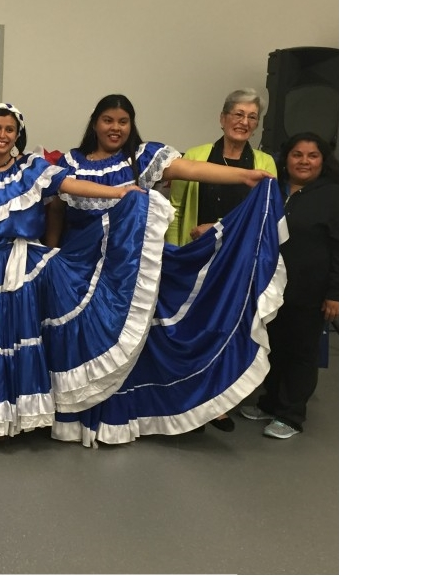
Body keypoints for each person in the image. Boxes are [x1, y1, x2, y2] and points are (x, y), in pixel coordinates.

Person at [49, 93, 285, 447]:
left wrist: (243, 176)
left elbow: (192, 169)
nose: (115, 128)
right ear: (95, 123)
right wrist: (53, 252)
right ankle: (75, 415)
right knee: (82, 343)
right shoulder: (71, 162)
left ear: (131, 125)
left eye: (123, 121)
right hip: (79, 272)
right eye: (108, 120)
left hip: (128, 274)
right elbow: (56, 209)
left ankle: (121, 417)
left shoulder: (141, 158)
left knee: (131, 344)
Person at [0, 103, 147, 440]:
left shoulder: (30, 168)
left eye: (9, 129)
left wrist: (119, 192)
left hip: (17, 267)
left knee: (13, 339)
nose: (2, 135)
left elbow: (71, 185)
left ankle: (15, 419)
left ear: (17, 135)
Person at [165, 88, 279, 432]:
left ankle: (218, 405)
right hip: (195, 257)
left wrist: (217, 228)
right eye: (238, 114)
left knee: (227, 328)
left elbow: (264, 219)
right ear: (223, 118)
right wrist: (174, 255)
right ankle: (184, 401)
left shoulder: (264, 164)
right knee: (190, 328)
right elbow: (176, 209)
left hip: (238, 263)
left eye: (252, 117)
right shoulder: (196, 155)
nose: (244, 122)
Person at [239, 132, 338, 439]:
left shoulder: (335, 196)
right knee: (275, 346)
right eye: (297, 155)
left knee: (301, 352)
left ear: (323, 160)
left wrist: (336, 293)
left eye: (312, 155)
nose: (304, 161)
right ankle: (270, 403)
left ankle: (291, 415)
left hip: (310, 292)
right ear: (286, 159)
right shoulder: (273, 190)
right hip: (272, 288)